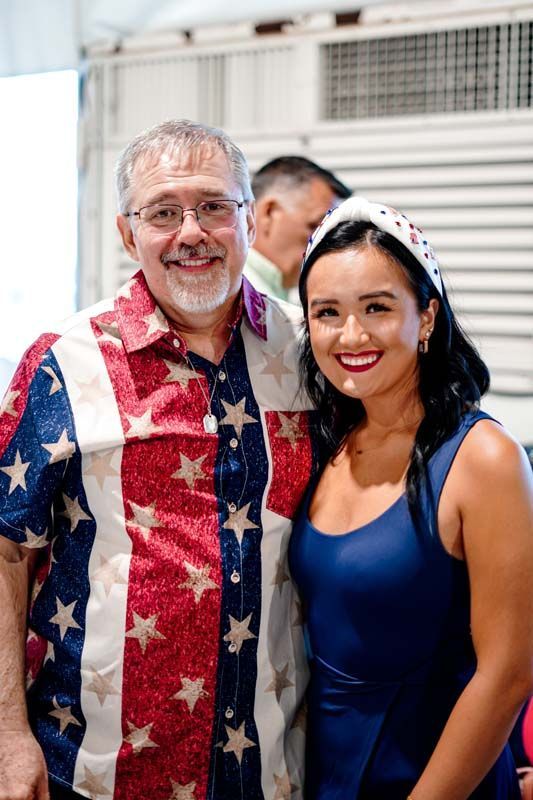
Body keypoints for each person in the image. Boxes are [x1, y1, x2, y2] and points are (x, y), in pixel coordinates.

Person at [0, 119, 319, 800]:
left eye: (212, 207)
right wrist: (6, 734)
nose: (191, 232)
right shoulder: (61, 363)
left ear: (250, 222)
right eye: (163, 213)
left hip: (271, 770)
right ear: (127, 234)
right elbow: (5, 550)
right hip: (91, 772)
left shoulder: (306, 356)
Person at [288, 197, 533, 799]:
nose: (351, 335)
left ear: (425, 317)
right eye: (327, 313)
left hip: (437, 778)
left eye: (377, 307)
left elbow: (509, 673)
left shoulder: (484, 459)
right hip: (321, 772)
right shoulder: (326, 441)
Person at [244, 156, 351, 301]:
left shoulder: (282, 296)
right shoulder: (235, 296)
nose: (325, 244)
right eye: (315, 227)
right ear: (270, 213)